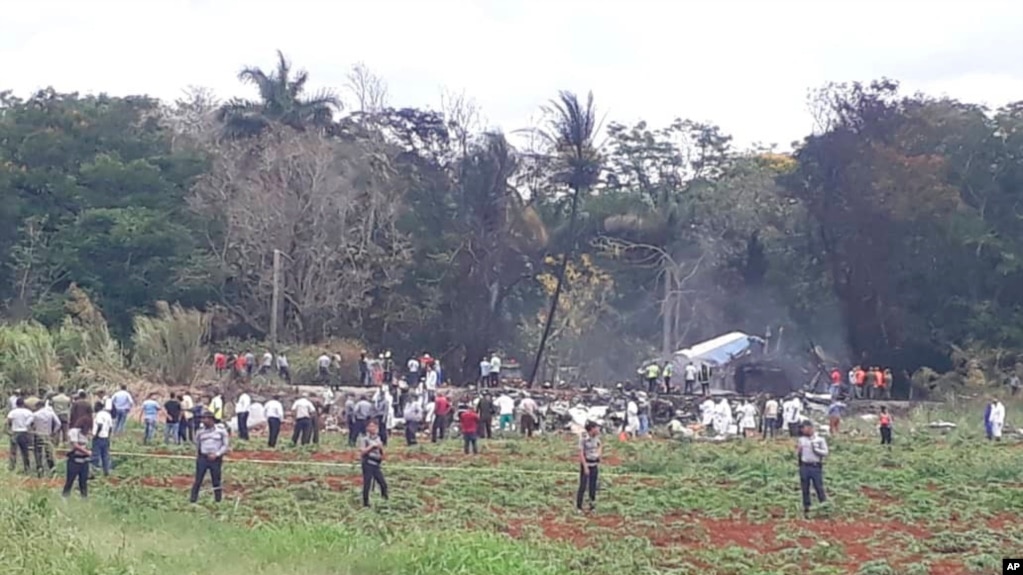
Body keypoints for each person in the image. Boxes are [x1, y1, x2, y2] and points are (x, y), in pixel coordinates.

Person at [190, 410, 230, 503]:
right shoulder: (200, 432)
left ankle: (218, 500)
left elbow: (225, 445)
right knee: (198, 479)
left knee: (216, 480)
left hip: (216, 459)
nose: (203, 421)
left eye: (205, 418)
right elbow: (197, 443)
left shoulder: (221, 431)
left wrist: (217, 454)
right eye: (202, 418)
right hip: (203, 458)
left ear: (211, 419)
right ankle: (193, 500)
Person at [796, 421, 828, 518]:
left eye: (804, 428)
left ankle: (824, 508)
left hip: (815, 466)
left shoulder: (820, 440)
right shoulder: (801, 440)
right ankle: (807, 509)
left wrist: (816, 449)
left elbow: (825, 452)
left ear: (810, 428)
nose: (803, 430)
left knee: (819, 487)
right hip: (805, 466)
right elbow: (798, 453)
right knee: (805, 488)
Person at [357, 419, 388, 508]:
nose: (373, 428)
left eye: (374, 426)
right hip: (368, 463)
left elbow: (382, 452)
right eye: (371, 426)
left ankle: (385, 502)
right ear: (367, 428)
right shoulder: (364, 439)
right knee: (367, 484)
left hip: (376, 464)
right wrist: (372, 446)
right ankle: (366, 504)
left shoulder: (378, 438)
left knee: (383, 484)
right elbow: (362, 452)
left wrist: (381, 449)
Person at [62, 416, 93, 498]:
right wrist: (87, 452)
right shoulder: (74, 432)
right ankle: (65, 497)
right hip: (74, 460)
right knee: (70, 480)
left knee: (83, 482)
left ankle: (84, 499)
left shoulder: (88, 435)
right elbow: (75, 445)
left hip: (84, 461)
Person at [576, 421, 602, 512]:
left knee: (593, 486)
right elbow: (581, 453)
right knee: (583, 486)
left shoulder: (597, 437)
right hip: (586, 464)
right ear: (591, 429)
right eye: (596, 428)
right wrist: (585, 467)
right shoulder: (583, 437)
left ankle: (592, 506)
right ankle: (579, 507)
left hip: (594, 464)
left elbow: (599, 445)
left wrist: (598, 454)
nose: (598, 429)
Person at [29, 401, 59, 477]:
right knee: (48, 452)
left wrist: (32, 430)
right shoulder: (51, 413)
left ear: (38, 406)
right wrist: (54, 431)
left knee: (38, 452)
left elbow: (27, 423)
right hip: (48, 434)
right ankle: (52, 469)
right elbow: (58, 424)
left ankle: (40, 469)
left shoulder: (35, 414)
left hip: (38, 434)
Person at [7, 398, 33, 473]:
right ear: (23, 404)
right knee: (25, 451)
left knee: (13, 451)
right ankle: (27, 467)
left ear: (16, 404)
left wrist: (9, 429)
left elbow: (8, 420)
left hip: (15, 432)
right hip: (24, 432)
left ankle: (12, 467)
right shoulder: (28, 412)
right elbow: (31, 421)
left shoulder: (13, 412)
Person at [91, 402, 113, 477]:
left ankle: (93, 473)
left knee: (95, 456)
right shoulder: (108, 415)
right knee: (105, 456)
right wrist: (108, 436)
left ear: (98, 407)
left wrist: (96, 435)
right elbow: (110, 428)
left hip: (99, 438)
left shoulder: (99, 414)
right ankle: (106, 472)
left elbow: (100, 425)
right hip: (106, 438)